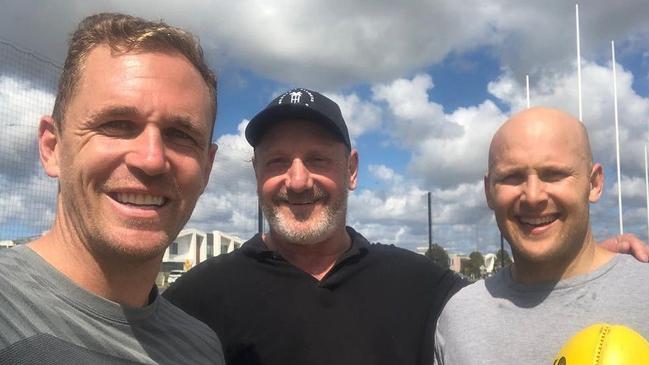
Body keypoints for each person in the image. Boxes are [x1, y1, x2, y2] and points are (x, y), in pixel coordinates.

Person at [163, 88, 464, 365]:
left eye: (318, 159)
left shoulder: (424, 289)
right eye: (277, 161)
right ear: (257, 173)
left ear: (352, 170)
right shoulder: (194, 301)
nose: (297, 182)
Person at [0, 13, 225, 364]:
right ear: (52, 147)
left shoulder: (202, 348)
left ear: (207, 168)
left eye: (180, 135)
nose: (151, 159)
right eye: (116, 124)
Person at [434, 107, 649, 364]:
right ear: (489, 191)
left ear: (594, 184)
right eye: (512, 177)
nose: (533, 196)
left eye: (554, 174)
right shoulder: (459, 317)